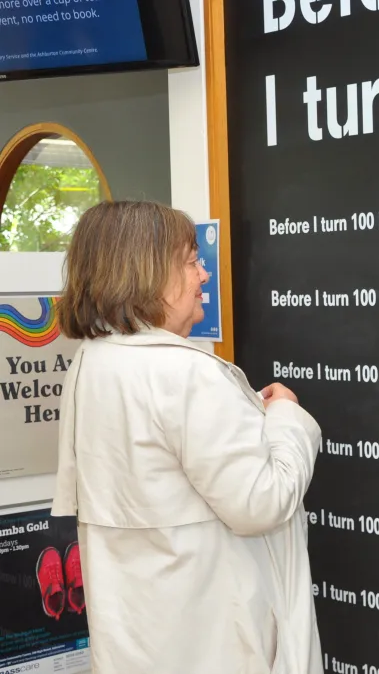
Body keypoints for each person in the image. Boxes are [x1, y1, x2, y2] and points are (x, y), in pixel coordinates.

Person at [49, 201, 323, 673]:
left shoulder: (89, 366)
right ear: (149, 274)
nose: (204, 276)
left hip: (138, 643)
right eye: (192, 261)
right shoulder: (187, 374)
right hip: (216, 643)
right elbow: (262, 503)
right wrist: (286, 418)